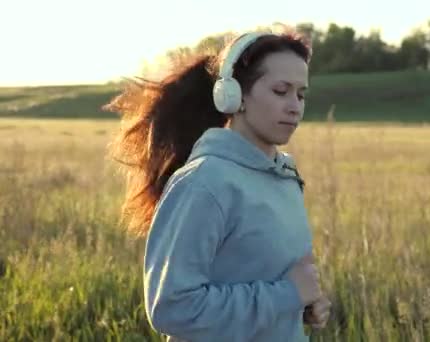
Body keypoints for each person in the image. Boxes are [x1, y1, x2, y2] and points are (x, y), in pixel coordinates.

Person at [103, 28, 332, 341]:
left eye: (301, 94)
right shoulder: (204, 183)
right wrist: (287, 295)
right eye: (281, 91)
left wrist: (301, 306)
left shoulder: (285, 176)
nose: (295, 106)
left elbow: (275, 279)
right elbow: (172, 308)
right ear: (233, 96)